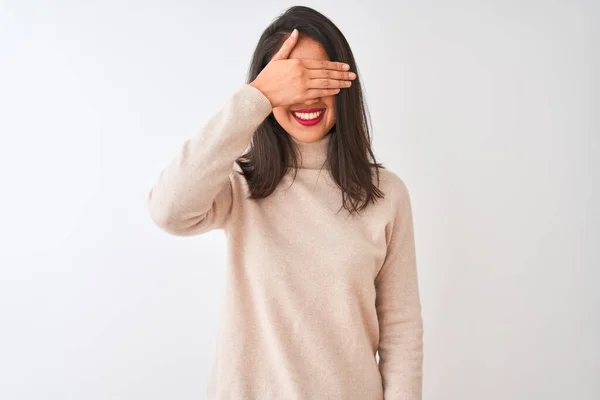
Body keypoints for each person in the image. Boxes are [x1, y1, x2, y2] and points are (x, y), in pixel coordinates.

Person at [147, 5, 424, 400]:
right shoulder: (239, 186)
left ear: (344, 82)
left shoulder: (386, 193)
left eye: (318, 78)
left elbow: (401, 331)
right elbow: (168, 211)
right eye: (292, 82)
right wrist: (254, 98)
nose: (306, 96)